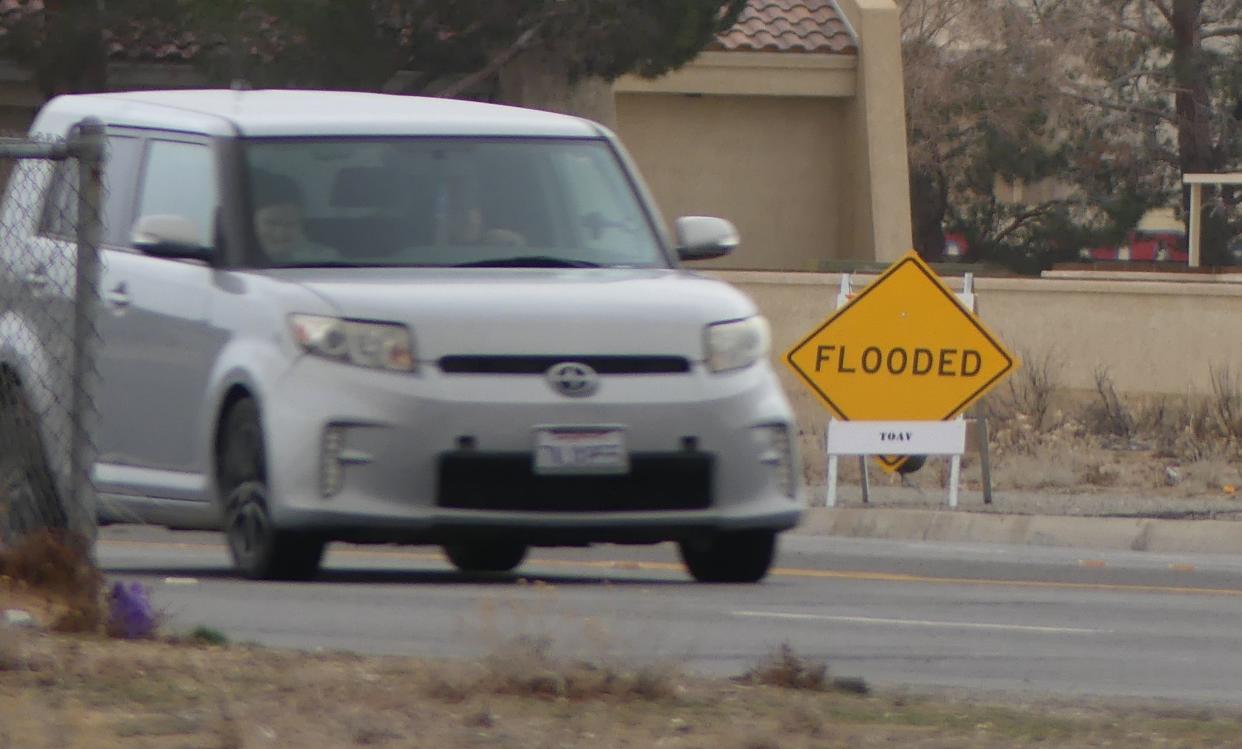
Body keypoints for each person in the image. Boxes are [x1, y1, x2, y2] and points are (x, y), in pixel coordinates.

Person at [251, 172, 341, 264]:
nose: (280, 233)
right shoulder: (238, 258)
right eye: (271, 223)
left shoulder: (326, 259)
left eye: (291, 224)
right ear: (253, 221)